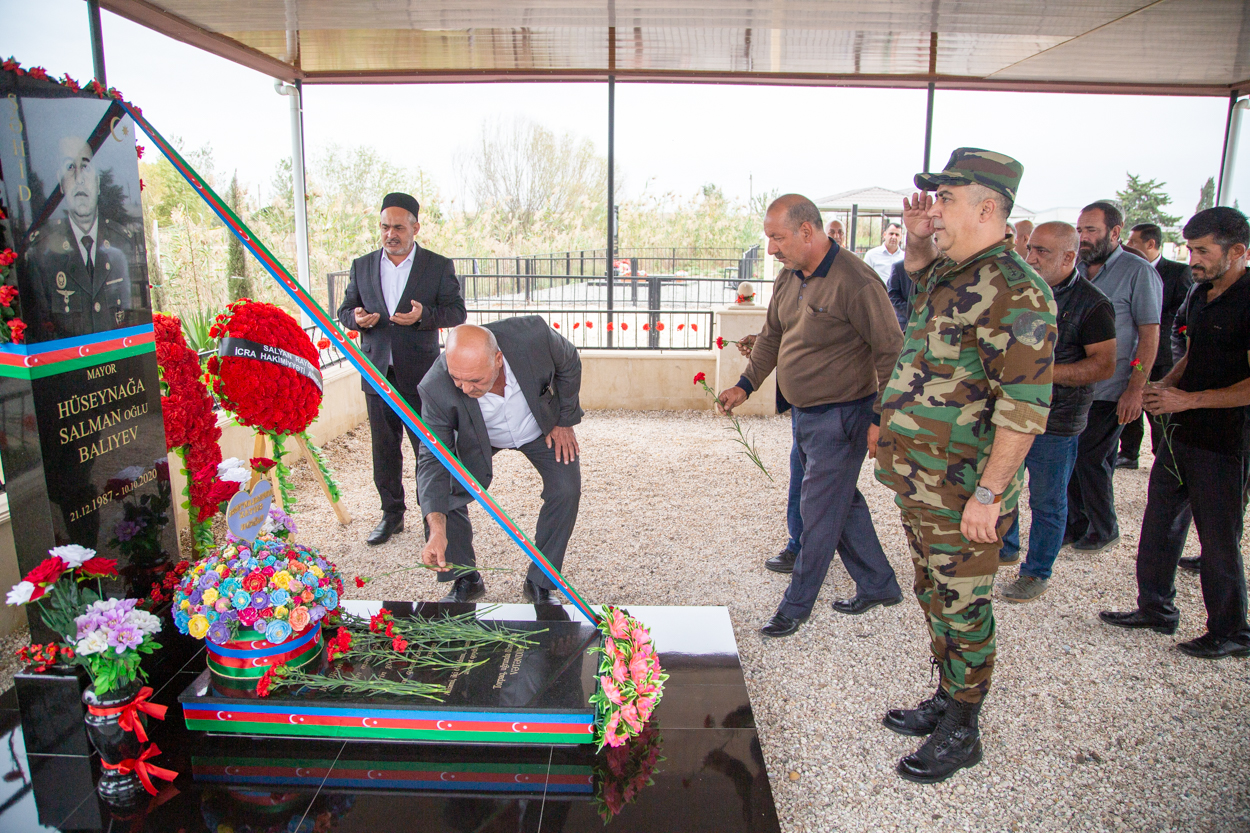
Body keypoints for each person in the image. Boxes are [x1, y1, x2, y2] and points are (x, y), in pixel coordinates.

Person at [872, 148, 1056, 783]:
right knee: (934, 594)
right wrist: (921, 243)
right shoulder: (954, 270)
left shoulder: (1016, 291)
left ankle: (964, 727)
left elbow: (1025, 409)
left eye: (945, 199)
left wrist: (990, 494)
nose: (933, 209)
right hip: (921, 481)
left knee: (964, 609)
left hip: (963, 493)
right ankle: (949, 696)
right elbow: (918, 286)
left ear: (987, 208)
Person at [718, 195, 903, 638]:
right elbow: (771, 336)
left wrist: (881, 418)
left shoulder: (856, 281)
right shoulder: (788, 277)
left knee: (818, 510)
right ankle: (879, 584)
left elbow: (892, 351)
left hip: (843, 416)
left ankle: (795, 607)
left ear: (806, 231)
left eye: (777, 238)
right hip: (804, 415)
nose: (771, 249)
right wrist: (746, 385)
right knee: (840, 501)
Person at [1100, 207, 1250, 660]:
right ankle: (1156, 608)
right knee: (1161, 520)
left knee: (1218, 538)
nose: (1193, 258)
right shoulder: (1202, 292)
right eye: (1190, 248)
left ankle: (1232, 631)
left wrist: (1192, 399)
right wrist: (1168, 384)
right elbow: (1195, 351)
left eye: (1203, 250)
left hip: (1226, 441)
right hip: (1181, 433)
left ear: (1238, 251)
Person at [418, 319, 583, 604]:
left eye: (475, 381)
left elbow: (570, 363)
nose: (465, 388)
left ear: (497, 359)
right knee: (447, 489)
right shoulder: (435, 386)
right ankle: (465, 577)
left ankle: (541, 580)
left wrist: (565, 420)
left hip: (538, 427)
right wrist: (436, 527)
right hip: (479, 438)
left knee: (566, 488)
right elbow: (433, 460)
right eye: (457, 379)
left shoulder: (533, 336)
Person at [337, 192, 466, 546]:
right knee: (384, 450)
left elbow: (456, 312)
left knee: (428, 450)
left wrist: (424, 315)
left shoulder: (437, 266)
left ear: (415, 228)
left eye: (397, 226)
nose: (389, 233)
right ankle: (391, 515)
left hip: (422, 376)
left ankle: (434, 519)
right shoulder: (362, 265)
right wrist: (357, 318)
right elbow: (345, 309)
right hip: (377, 374)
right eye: (384, 227)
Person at [998, 222, 1116, 602]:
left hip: (1057, 420)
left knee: (1047, 500)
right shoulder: (1021, 292)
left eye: (1041, 252)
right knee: (1002, 485)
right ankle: (1006, 546)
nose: (1030, 257)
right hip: (1014, 411)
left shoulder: (1092, 303)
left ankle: (1036, 572)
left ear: (1070, 256)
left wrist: (1040, 374)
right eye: (1029, 248)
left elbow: (1103, 366)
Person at [1065, 201, 1162, 553]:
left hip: (1112, 387)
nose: (1083, 237)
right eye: (1080, 230)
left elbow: (1150, 335)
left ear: (1115, 232)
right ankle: (1075, 525)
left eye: (1091, 230)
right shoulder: (1074, 267)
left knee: (1092, 457)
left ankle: (1104, 528)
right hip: (1073, 384)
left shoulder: (1138, 272)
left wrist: (1136, 389)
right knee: (1071, 456)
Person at [27, 136, 145, 338]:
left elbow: (131, 318)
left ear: (98, 183)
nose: (80, 177)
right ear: (61, 183)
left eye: (86, 166)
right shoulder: (43, 255)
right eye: (70, 167)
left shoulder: (122, 242)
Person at [1116, 223, 1194, 469]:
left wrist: (1146, 314)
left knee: (1156, 411)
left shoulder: (1177, 272)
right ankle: (1128, 453)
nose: (1128, 247)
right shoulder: (1127, 271)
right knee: (1128, 404)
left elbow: (1181, 316)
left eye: (1134, 242)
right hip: (1130, 352)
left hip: (1160, 356)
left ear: (1151, 244)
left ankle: (1165, 458)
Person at [886, 260, 913, 330]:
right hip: (904, 322)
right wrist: (912, 312)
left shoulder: (936, 267)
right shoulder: (899, 266)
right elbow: (892, 295)